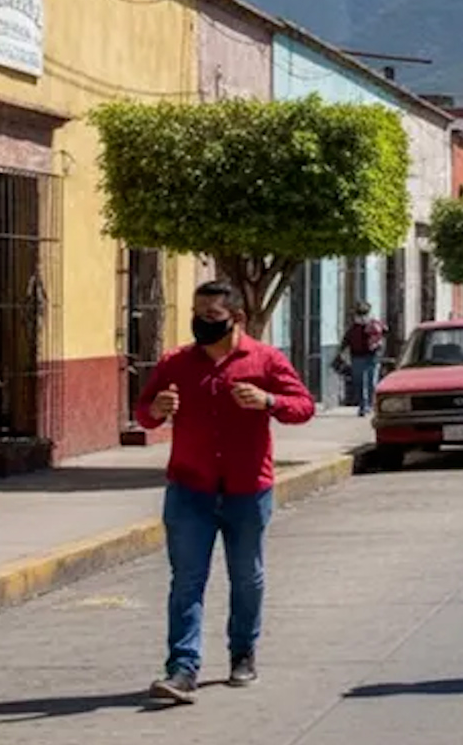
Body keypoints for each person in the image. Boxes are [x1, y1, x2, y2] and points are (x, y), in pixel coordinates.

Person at [135, 280, 317, 704]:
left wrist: (268, 401)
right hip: (189, 488)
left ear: (236, 318)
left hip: (246, 489)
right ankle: (182, 668)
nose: (201, 323)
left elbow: (303, 406)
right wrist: (156, 410)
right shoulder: (176, 363)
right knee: (186, 581)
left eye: (212, 317)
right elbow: (144, 413)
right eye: (197, 315)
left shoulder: (266, 359)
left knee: (246, 577)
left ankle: (243, 654)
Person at [343, 300, 388, 417]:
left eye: (364, 313)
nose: (362, 316)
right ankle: (365, 406)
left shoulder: (372, 324)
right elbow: (347, 339)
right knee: (363, 382)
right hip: (361, 356)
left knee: (368, 382)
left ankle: (368, 406)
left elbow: (384, 331)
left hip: (368, 356)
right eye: (360, 313)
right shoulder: (356, 327)